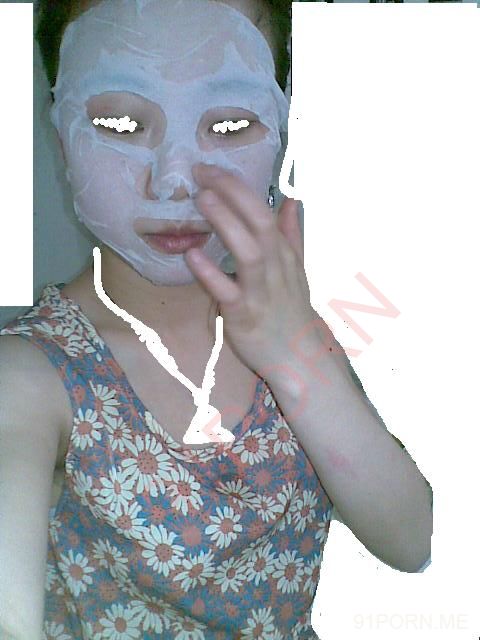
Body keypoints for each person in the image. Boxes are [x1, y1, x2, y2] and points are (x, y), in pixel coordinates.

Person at [0, 1, 432, 639]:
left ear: (280, 129)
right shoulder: (30, 375)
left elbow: (411, 542)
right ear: (62, 135)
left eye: (229, 125)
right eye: (121, 123)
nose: (174, 181)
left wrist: (294, 359)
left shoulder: (291, 320)